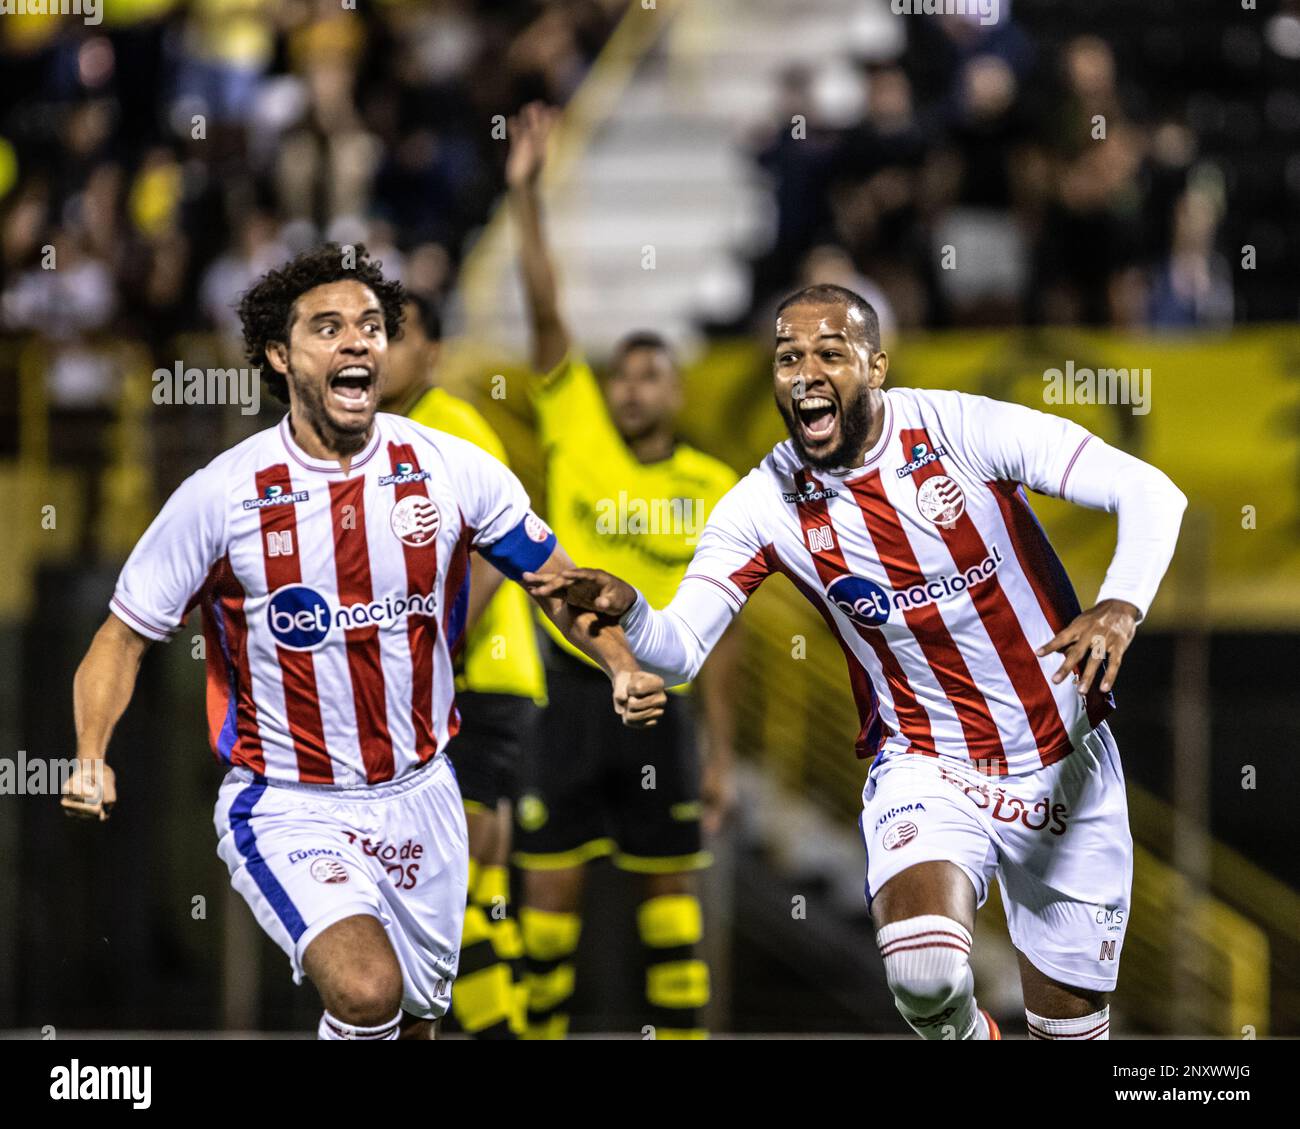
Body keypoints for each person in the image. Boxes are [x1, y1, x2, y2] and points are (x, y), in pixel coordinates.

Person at [526, 283, 1187, 1041]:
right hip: (927, 764)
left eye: (829, 353)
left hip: (1061, 760)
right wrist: (632, 613)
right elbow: (679, 651)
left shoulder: (959, 427)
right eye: (787, 357)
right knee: (924, 974)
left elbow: (1149, 492)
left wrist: (1120, 604)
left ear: (875, 367)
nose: (806, 372)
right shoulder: (761, 503)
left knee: (1070, 1032)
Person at [62, 243, 666, 1041]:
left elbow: (557, 582)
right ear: (280, 356)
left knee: (412, 1024)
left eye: (372, 326)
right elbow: (122, 635)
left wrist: (621, 663)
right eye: (328, 327)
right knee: (364, 990)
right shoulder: (221, 496)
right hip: (288, 804)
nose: (357, 341)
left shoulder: (451, 467)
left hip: (424, 797)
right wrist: (91, 753)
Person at [506, 102, 739, 1039]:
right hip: (566, 693)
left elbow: (724, 634)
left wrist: (722, 749)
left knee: (671, 909)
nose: (632, 386)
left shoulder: (715, 487)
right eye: (622, 374)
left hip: (663, 706)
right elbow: (548, 309)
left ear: (677, 391)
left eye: (651, 374)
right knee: (548, 902)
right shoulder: (578, 436)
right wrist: (525, 196)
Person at [381, 293, 545, 1038]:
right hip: (491, 685)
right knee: (485, 891)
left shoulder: (443, 425)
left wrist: (428, 659)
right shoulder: (403, 429)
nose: (376, 350)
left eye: (397, 336)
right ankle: (510, 1026)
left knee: (451, 891)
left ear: (434, 353)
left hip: (471, 686)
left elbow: (490, 557)